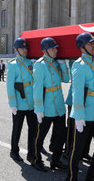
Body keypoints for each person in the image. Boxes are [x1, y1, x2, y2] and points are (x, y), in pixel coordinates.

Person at [66, 33, 94, 181]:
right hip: (84, 114)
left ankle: (92, 175)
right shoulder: (79, 65)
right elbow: (77, 92)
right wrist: (78, 116)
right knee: (76, 149)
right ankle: (71, 176)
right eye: (91, 44)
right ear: (82, 46)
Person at [32, 37, 69, 172]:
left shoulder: (56, 63)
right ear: (46, 50)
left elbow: (66, 79)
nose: (56, 50)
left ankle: (56, 160)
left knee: (61, 135)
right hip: (46, 107)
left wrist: (63, 64)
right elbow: (37, 88)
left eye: (56, 48)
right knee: (40, 135)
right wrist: (38, 109)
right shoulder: (40, 65)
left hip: (58, 106)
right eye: (53, 48)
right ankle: (36, 159)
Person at [6, 38, 37, 163]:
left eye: (26, 48)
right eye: (22, 48)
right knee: (17, 128)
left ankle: (31, 153)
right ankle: (14, 151)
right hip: (19, 103)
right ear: (16, 50)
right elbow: (10, 86)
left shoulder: (31, 63)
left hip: (31, 103)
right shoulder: (13, 65)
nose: (25, 50)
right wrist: (12, 103)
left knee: (33, 129)